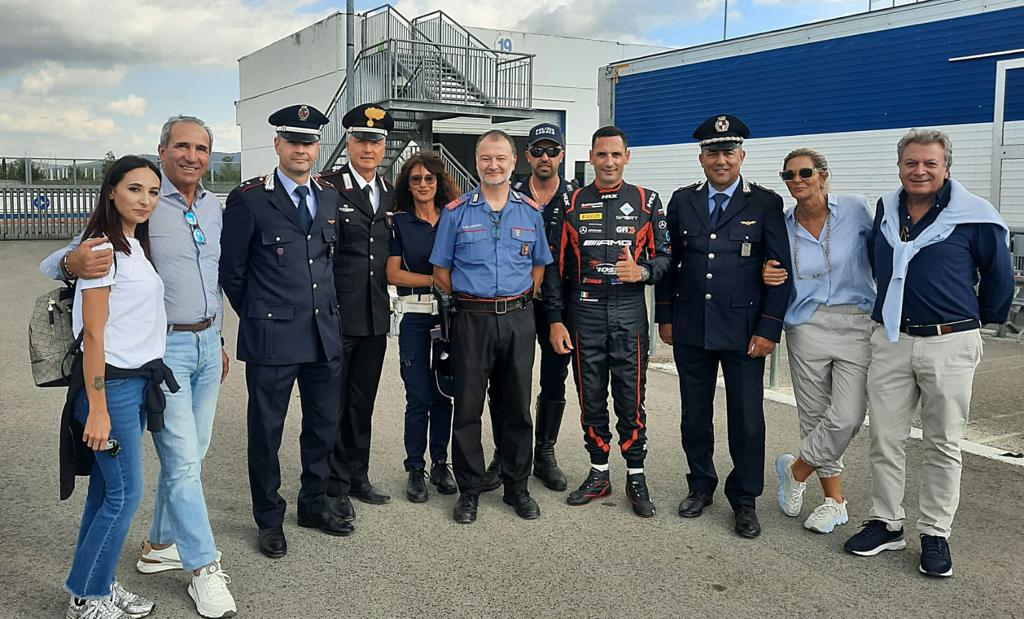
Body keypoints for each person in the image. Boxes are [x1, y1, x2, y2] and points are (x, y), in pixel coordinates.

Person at [42, 116, 236, 617]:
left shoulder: (211, 207)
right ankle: (203, 568)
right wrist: (69, 263)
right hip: (147, 363)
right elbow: (79, 276)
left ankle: (148, 552)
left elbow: (208, 275)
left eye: (202, 148)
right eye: (182, 146)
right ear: (163, 149)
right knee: (168, 470)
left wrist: (215, 335)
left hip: (201, 346)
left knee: (187, 459)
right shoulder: (120, 232)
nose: (192, 156)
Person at [844, 129, 1014, 577]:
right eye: (911, 163)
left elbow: (999, 278)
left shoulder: (974, 215)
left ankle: (935, 532)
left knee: (942, 441)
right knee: (884, 436)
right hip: (892, 339)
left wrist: (969, 321)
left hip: (949, 341)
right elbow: (871, 259)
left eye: (930, 163)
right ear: (899, 166)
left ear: (946, 167)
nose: (919, 171)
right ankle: (886, 521)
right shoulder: (886, 209)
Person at [220, 104, 351, 559]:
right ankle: (269, 518)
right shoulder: (251, 198)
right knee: (266, 432)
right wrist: (261, 315)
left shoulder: (330, 196)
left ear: (317, 146)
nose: (302, 149)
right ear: (277, 144)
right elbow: (232, 272)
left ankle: (312, 505)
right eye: (293, 140)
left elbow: (327, 265)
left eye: (309, 141)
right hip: (272, 339)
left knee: (322, 428)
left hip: (323, 337)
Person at [654, 114, 792, 539]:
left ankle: (745, 499)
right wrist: (665, 316)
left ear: (741, 156)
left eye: (728, 152)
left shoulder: (765, 203)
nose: (720, 160)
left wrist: (769, 328)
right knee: (694, 415)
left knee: (747, 419)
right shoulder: (682, 200)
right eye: (712, 152)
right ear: (701, 157)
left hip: (744, 329)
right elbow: (669, 262)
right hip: (691, 326)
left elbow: (780, 269)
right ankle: (700, 486)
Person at [59, 156, 173, 619]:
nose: (144, 200)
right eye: (134, 190)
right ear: (111, 191)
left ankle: (98, 585)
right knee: (125, 495)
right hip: (113, 390)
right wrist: (99, 409)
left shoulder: (133, 246)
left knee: (106, 494)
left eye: (151, 191)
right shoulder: (101, 250)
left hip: (135, 384)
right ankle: (86, 596)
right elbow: (94, 336)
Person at [543, 125, 670, 517]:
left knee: (631, 400)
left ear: (627, 157)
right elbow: (553, 268)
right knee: (590, 397)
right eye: (602, 155)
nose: (609, 162)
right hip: (584, 311)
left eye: (616, 155)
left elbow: (667, 257)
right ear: (592, 157)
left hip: (630, 310)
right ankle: (599, 472)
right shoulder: (570, 202)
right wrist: (554, 320)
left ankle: (636, 474)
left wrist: (644, 272)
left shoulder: (648, 201)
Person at [430, 129, 553, 524]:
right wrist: (476, 302)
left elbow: (539, 268)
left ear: (514, 161)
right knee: (467, 408)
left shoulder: (530, 212)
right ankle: (469, 490)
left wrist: (513, 302)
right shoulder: (456, 212)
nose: (493, 165)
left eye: (501, 158)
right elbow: (441, 272)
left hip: (518, 319)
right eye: (486, 158)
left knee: (516, 406)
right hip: (471, 319)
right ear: (476, 162)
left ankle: (517, 487)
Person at [760, 148, 875, 534]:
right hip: (805, 324)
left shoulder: (856, 209)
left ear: (823, 175)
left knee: (848, 416)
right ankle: (834, 501)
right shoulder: (782, 224)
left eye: (804, 172)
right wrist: (766, 274)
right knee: (814, 417)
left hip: (855, 322)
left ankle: (796, 470)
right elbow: (770, 263)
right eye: (788, 175)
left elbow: (884, 253)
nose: (797, 181)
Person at [485, 122, 576, 493]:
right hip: (515, 302)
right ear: (526, 156)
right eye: (537, 150)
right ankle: (503, 453)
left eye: (551, 150)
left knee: (554, 379)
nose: (544, 157)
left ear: (562, 154)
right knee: (504, 381)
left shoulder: (576, 197)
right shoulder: (510, 193)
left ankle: (544, 452)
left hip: (562, 307)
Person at [320, 104, 396, 519]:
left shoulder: (388, 192)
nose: (369, 148)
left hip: (373, 316)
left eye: (376, 141)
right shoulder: (327, 187)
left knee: (361, 401)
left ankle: (357, 474)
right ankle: (332, 485)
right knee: (332, 402)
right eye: (362, 139)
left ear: (384, 148)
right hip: (336, 316)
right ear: (348, 142)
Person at [387, 152, 460, 502]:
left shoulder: (453, 218)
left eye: (429, 178)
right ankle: (415, 467)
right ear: (407, 184)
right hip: (415, 317)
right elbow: (393, 273)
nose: (423, 185)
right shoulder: (399, 223)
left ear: (439, 181)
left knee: (443, 394)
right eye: (415, 179)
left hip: (448, 318)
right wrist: (436, 279)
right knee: (417, 397)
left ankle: (440, 464)